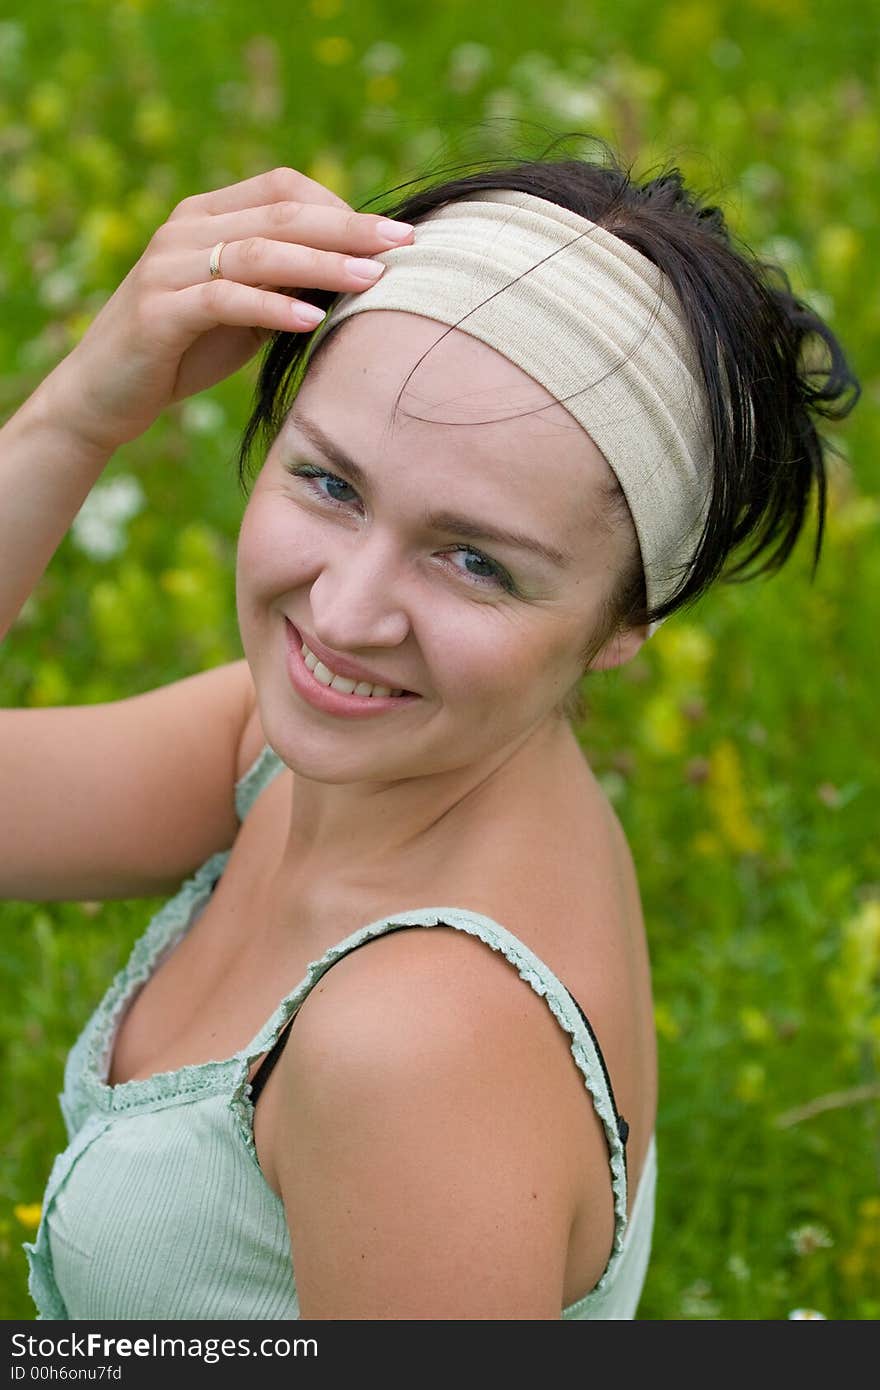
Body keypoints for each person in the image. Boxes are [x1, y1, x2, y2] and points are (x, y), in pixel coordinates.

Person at [2, 141, 859, 1321]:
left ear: (623, 623)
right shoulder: (295, 759)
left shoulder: (417, 1045)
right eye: (330, 484)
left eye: (475, 561)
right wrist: (79, 412)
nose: (344, 614)